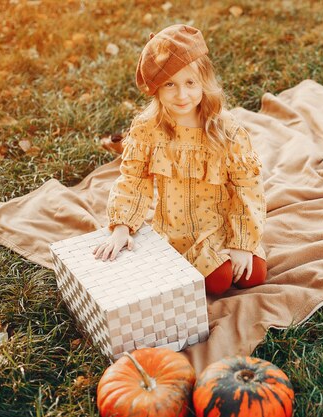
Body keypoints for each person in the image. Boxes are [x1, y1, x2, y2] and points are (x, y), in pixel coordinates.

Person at [92, 24, 266, 296]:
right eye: (170, 84)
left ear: (204, 82)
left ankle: (232, 250)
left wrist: (242, 243)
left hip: (220, 223)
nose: (182, 95)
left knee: (254, 275)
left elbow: (248, 187)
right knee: (219, 281)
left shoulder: (227, 130)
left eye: (190, 83)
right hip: (177, 228)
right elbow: (134, 180)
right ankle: (199, 262)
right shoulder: (147, 129)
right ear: (156, 89)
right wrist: (122, 227)